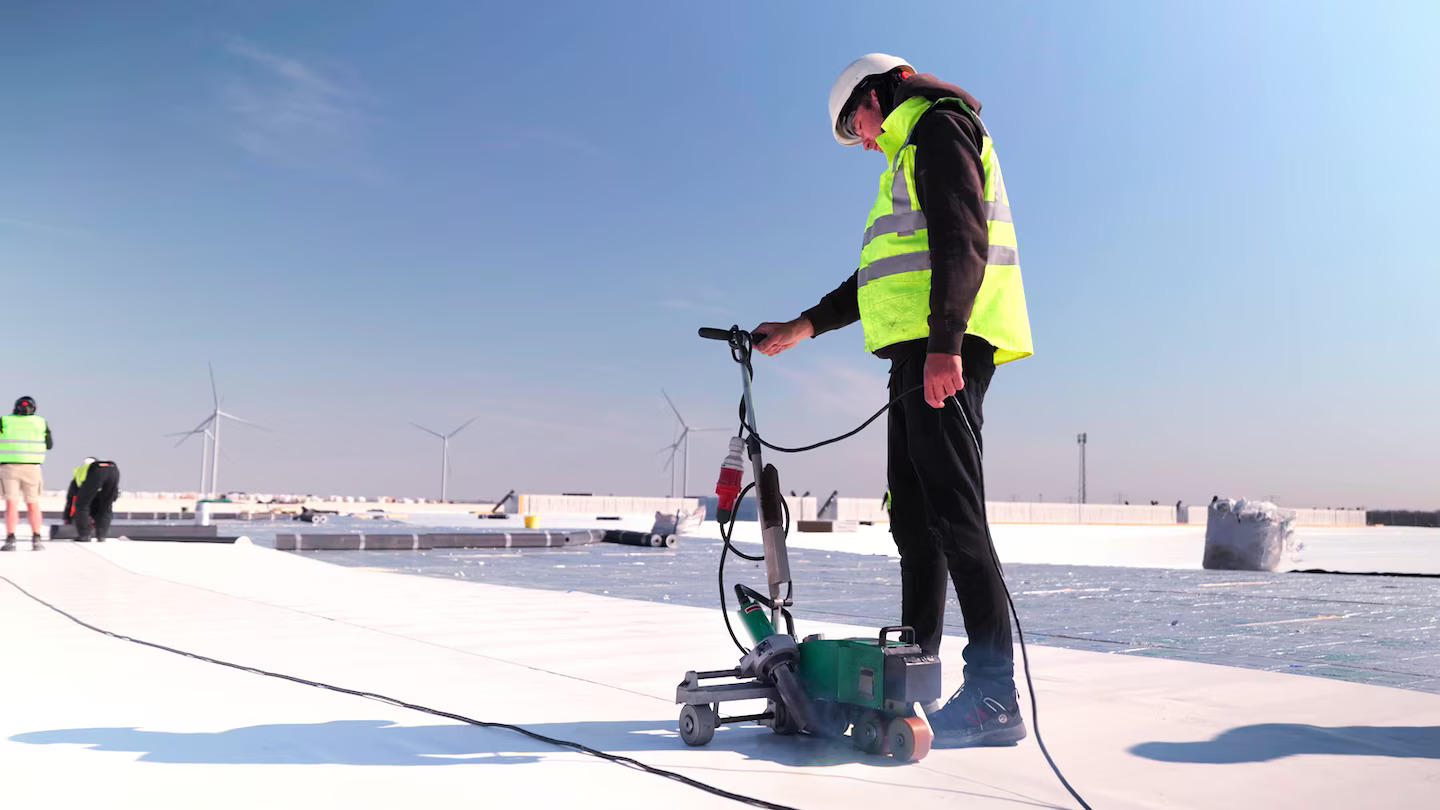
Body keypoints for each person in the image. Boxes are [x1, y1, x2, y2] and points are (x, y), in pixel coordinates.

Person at [753, 54, 1033, 747]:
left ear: (879, 93)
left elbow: (962, 235)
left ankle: (996, 697)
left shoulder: (942, 128)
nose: (863, 140)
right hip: (917, 352)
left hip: (949, 349)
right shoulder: (906, 156)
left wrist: (945, 344)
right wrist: (802, 326)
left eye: (857, 124)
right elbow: (874, 279)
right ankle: (913, 676)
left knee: (956, 518)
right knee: (914, 522)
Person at [1, 396, 53, 551]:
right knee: (33, 504)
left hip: (8, 468)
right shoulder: (41, 422)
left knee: (11, 504)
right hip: (32, 469)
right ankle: (36, 538)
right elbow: (49, 445)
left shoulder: (4, 421)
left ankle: (11, 539)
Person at [65, 457, 121, 542]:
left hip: (97, 473)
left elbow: (72, 500)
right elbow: (113, 495)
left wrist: (68, 517)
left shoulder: (81, 475)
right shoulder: (101, 469)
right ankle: (102, 536)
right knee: (106, 506)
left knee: (81, 505)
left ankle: (84, 535)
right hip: (114, 469)